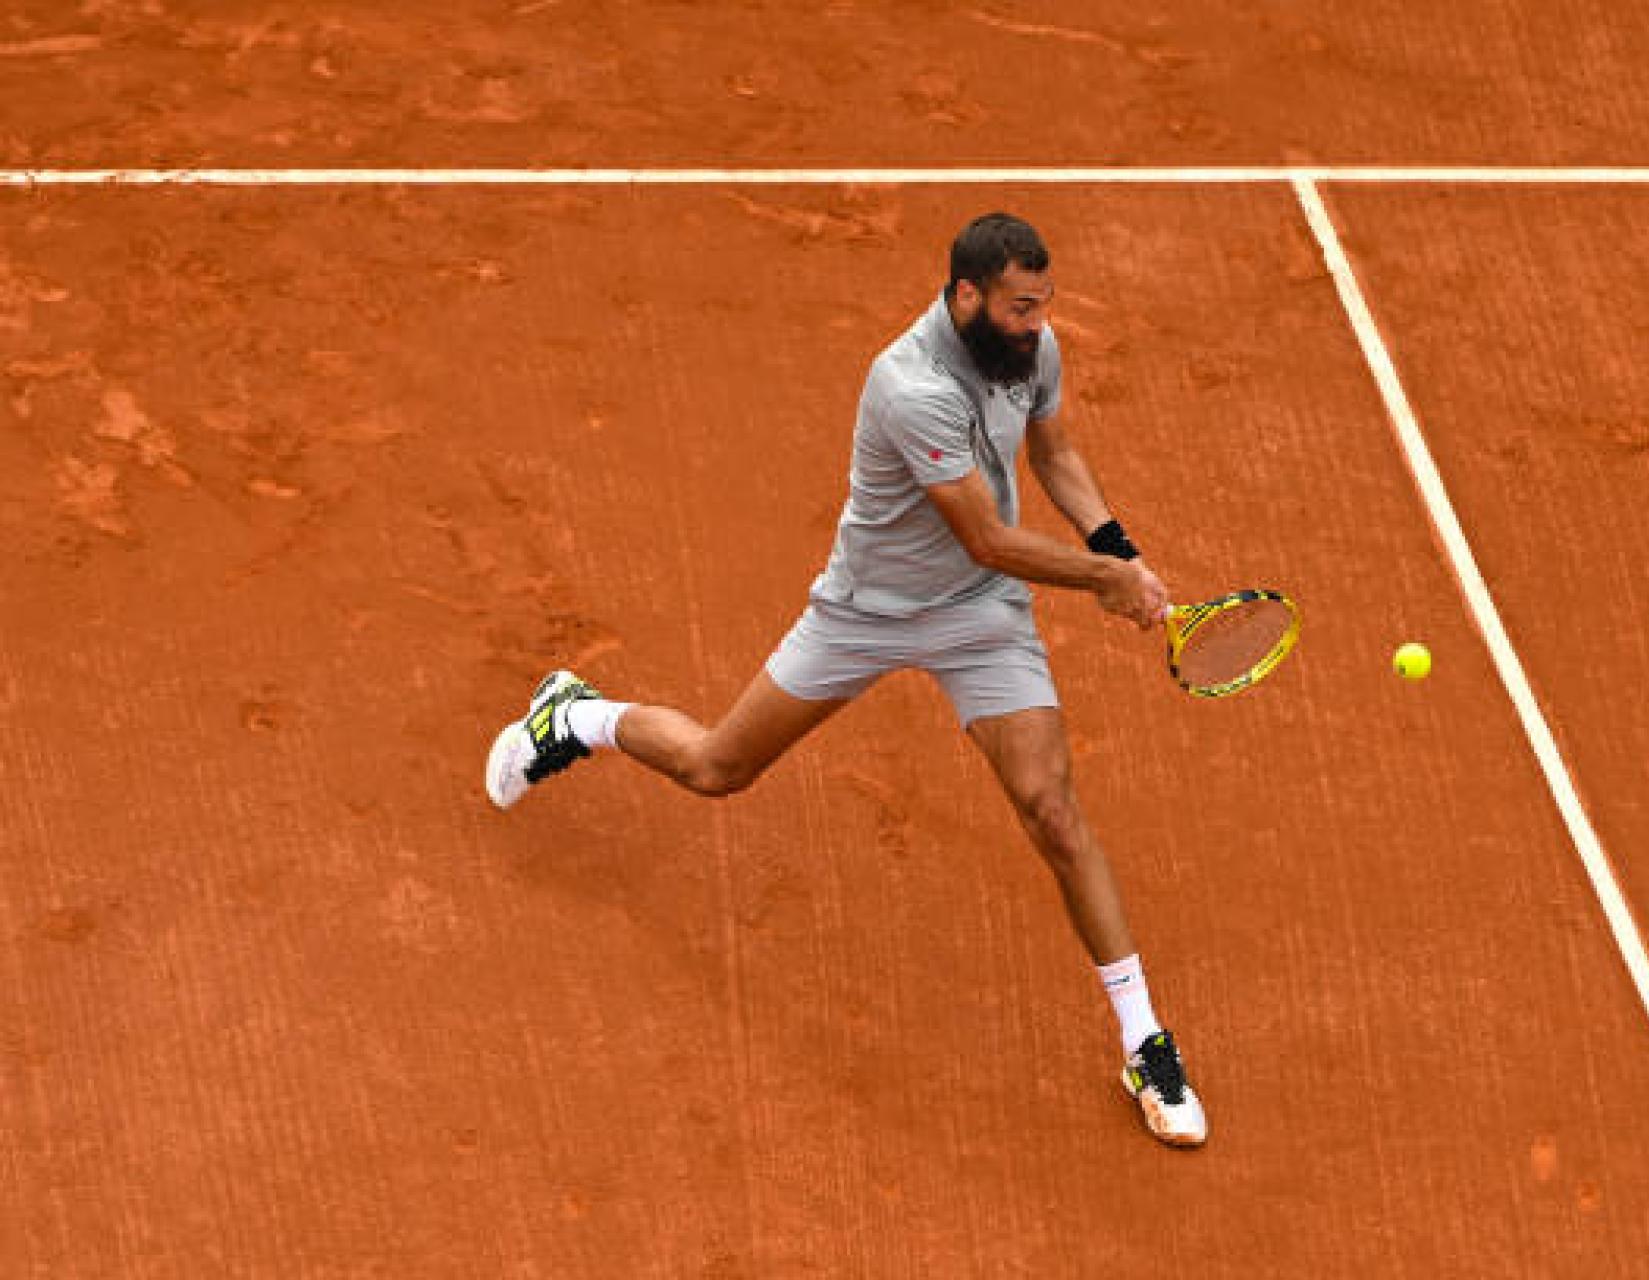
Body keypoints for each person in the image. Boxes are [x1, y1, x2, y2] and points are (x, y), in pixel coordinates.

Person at [485, 212, 1206, 1147]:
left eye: (1043, 308)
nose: (1036, 327)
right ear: (966, 296)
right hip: (867, 611)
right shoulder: (907, 385)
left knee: (1054, 812)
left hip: (980, 614)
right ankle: (578, 717)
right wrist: (1104, 583)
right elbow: (986, 534)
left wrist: (1116, 545)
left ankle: (1143, 1037)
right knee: (715, 766)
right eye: (1020, 309)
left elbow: (1055, 453)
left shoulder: (1033, 346)